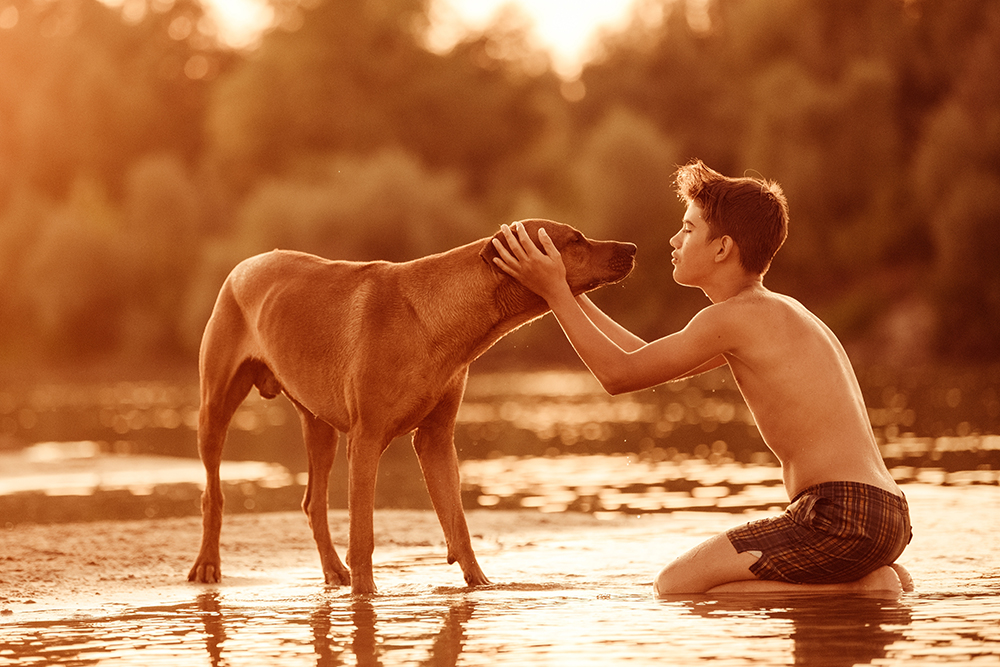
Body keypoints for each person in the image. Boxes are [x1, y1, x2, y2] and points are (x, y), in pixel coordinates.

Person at [491, 159, 912, 596]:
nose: (674, 239)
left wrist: (556, 291)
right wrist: (566, 287)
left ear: (722, 248)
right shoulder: (771, 312)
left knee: (675, 586)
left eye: (688, 229)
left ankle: (862, 588)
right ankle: (865, 580)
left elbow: (616, 374)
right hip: (885, 513)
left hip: (839, 515)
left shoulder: (733, 318)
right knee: (694, 585)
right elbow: (638, 358)